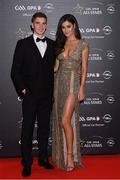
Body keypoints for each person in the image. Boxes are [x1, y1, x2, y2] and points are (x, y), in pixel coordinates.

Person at [11, 12, 54, 177]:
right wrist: (23, 91)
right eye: (38, 23)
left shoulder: (52, 44)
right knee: (27, 129)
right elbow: (15, 72)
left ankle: (43, 158)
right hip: (30, 96)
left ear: (47, 24)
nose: (41, 26)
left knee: (44, 129)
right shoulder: (22, 44)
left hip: (46, 96)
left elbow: (55, 70)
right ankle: (27, 163)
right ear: (32, 24)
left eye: (44, 23)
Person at [52, 14, 89, 171]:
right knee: (61, 119)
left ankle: (70, 157)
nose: (66, 30)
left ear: (74, 26)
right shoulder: (60, 44)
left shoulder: (83, 44)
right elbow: (55, 69)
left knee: (65, 120)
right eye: (63, 27)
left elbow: (85, 69)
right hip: (59, 84)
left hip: (73, 85)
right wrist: (57, 58)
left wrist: (82, 88)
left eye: (68, 26)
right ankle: (62, 154)